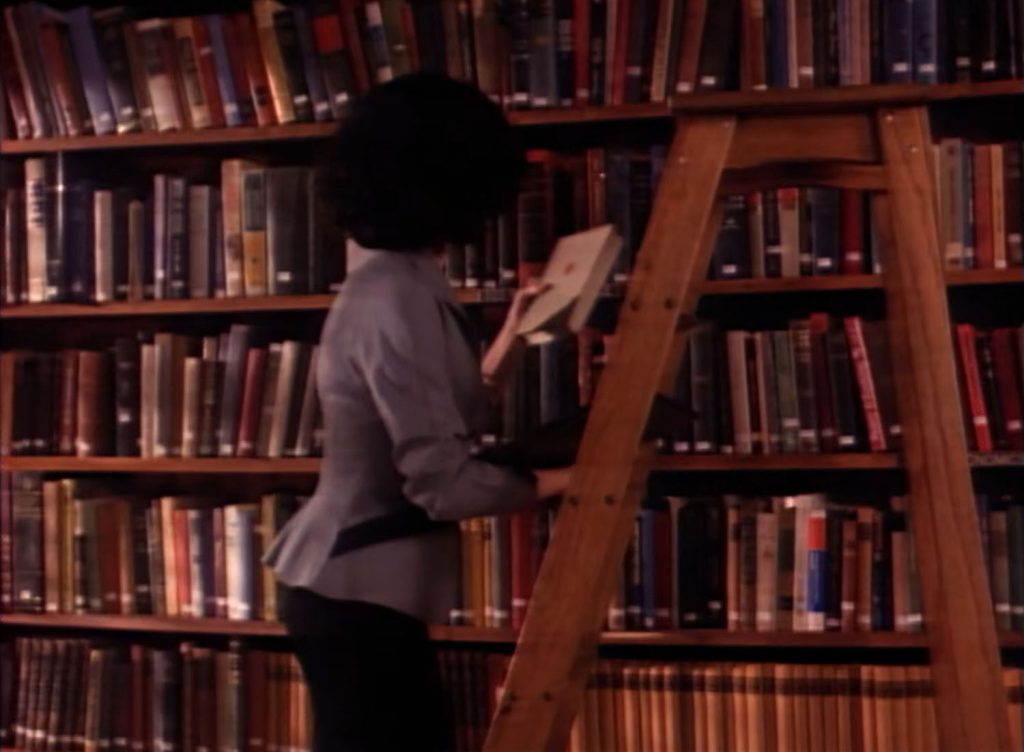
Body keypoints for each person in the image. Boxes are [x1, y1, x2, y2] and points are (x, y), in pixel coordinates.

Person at [263, 72, 573, 752]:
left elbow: (434, 413)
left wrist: (514, 336)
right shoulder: (395, 295)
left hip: (356, 592)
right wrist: (571, 483)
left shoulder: (398, 278)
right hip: (353, 591)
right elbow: (442, 484)